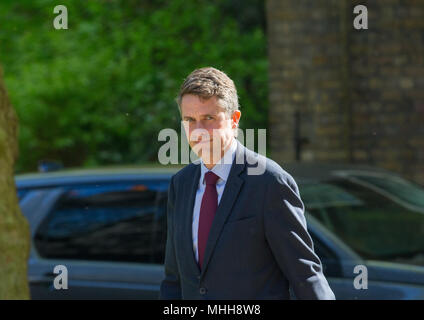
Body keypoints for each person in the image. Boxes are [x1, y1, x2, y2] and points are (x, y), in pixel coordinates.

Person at [159, 67, 335, 300]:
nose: (198, 131)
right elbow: (174, 281)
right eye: (190, 120)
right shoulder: (180, 185)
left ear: (234, 120)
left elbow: (306, 276)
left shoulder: (269, 182)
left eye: (208, 118)